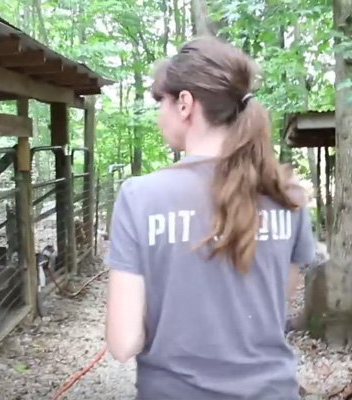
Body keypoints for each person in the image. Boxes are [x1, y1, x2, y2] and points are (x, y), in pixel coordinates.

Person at [104, 36, 317, 400]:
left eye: (161, 102)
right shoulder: (287, 195)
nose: (159, 115)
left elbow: (123, 342)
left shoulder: (140, 197)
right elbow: (273, 302)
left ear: (185, 104)